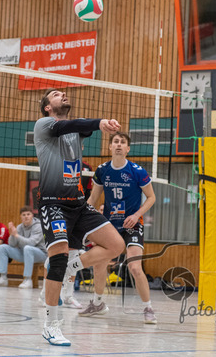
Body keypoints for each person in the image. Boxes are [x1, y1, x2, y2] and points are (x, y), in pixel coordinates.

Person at [34, 88, 125, 346]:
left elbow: (79, 125)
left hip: (78, 204)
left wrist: (100, 125)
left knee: (116, 246)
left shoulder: (74, 130)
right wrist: (99, 122)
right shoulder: (43, 125)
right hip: (53, 203)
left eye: (63, 92)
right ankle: (51, 325)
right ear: (47, 107)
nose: (62, 94)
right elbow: (74, 124)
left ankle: (72, 267)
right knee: (58, 259)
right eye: (55, 94)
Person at [86, 132, 158, 324]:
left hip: (132, 224)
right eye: (115, 142)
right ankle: (98, 303)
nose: (118, 145)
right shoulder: (102, 170)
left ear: (128, 149)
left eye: (122, 142)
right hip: (110, 225)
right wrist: (84, 220)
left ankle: (148, 308)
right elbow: (93, 199)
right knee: (99, 263)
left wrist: (136, 215)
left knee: (134, 266)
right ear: (110, 147)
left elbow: (151, 197)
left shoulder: (137, 171)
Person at [0, 206, 46, 288]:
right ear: (20, 217)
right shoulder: (20, 227)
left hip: (41, 254)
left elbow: (31, 243)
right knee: (2, 247)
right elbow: (12, 244)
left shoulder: (38, 226)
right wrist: (12, 234)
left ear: (32, 215)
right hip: (25, 253)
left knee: (28, 248)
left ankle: (28, 280)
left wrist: (17, 235)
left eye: (28, 214)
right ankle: (3, 278)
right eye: (23, 215)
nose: (26, 217)